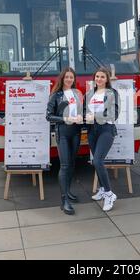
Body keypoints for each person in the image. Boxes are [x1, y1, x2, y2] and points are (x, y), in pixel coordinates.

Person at [46, 67, 83, 215]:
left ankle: (68, 192)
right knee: (65, 165)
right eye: (67, 77)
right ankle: (64, 201)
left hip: (76, 132)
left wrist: (81, 116)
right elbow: (49, 116)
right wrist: (65, 119)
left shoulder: (76, 93)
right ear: (62, 78)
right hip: (63, 132)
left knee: (72, 163)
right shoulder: (56, 95)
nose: (69, 79)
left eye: (71, 77)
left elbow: (80, 110)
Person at [86, 67, 120, 212]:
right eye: (97, 76)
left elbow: (114, 114)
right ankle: (101, 189)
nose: (99, 79)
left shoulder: (112, 93)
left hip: (106, 129)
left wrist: (96, 117)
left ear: (107, 79)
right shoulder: (89, 94)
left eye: (102, 77)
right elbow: (85, 111)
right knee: (96, 161)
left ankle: (109, 194)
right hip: (92, 130)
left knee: (98, 160)